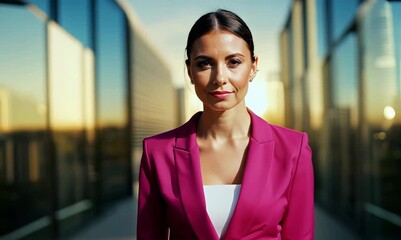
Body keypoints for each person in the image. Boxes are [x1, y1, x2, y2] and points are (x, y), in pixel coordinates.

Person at [137, 9, 314, 240]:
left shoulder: (293, 149)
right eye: (204, 64)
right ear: (189, 71)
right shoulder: (157, 152)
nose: (220, 77)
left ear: (253, 66)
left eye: (234, 62)